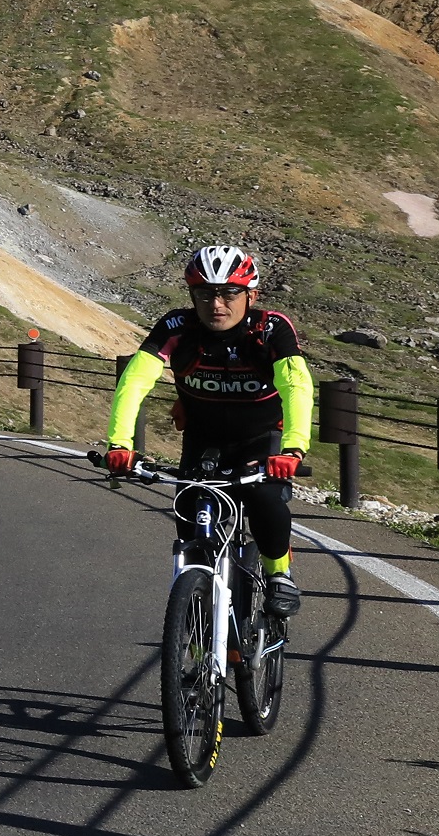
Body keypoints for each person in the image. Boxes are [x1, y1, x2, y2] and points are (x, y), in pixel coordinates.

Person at [104, 246, 314, 619]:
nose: (216, 304)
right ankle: (198, 633)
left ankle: (280, 574)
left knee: (265, 501)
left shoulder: (270, 329)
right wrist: (120, 444)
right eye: (204, 293)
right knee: (190, 522)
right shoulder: (177, 327)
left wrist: (294, 450)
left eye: (229, 293)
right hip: (203, 442)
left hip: (263, 440)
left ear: (252, 296)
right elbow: (135, 380)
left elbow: (297, 385)